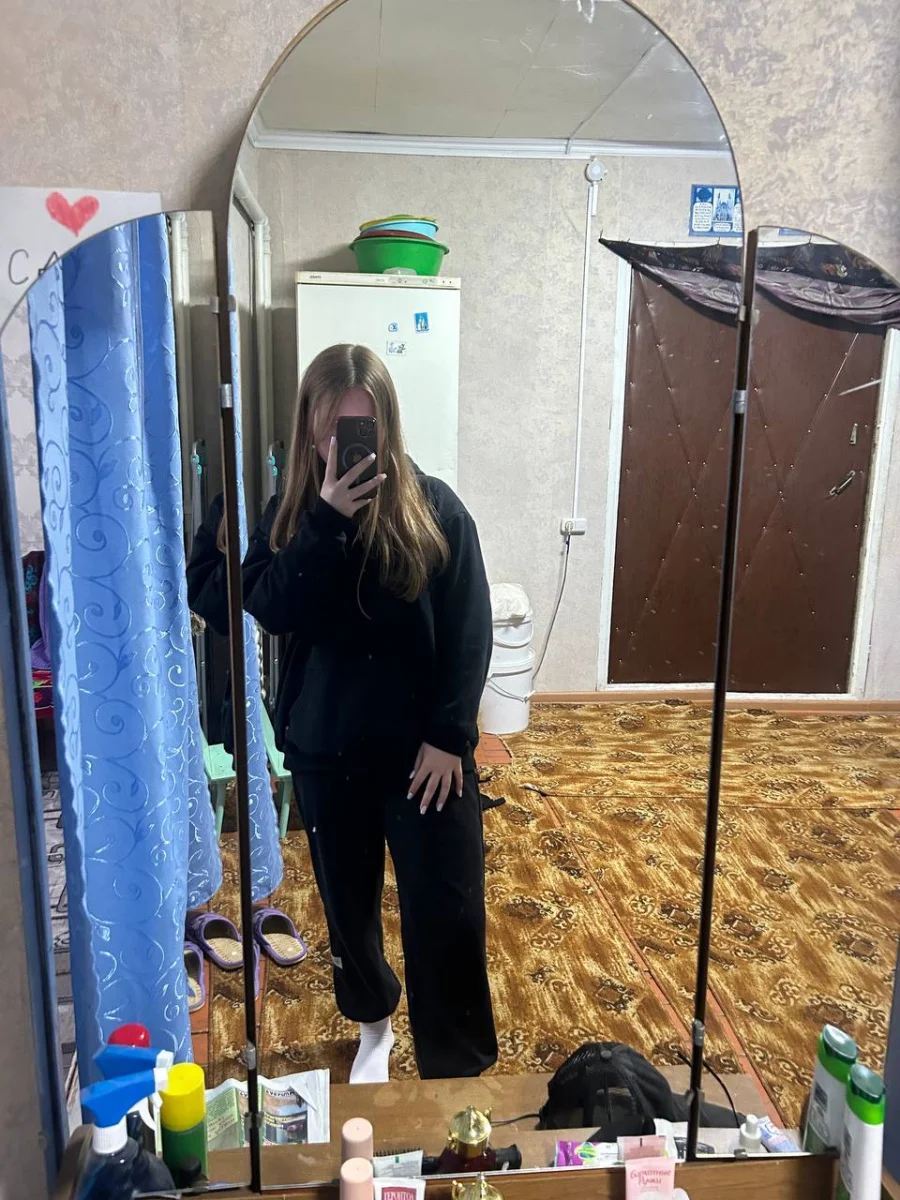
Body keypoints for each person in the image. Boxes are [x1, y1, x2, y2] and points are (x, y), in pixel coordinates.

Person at [242, 343, 497, 1082]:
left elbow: (469, 627)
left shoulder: (436, 506)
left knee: (447, 909)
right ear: (309, 429)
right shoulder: (290, 517)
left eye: (363, 426)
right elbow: (269, 605)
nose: (347, 443)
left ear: (388, 424)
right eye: (332, 428)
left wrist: (451, 735)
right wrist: (325, 520)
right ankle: (374, 1028)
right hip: (329, 751)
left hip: (427, 758)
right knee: (348, 910)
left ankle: (456, 1061)